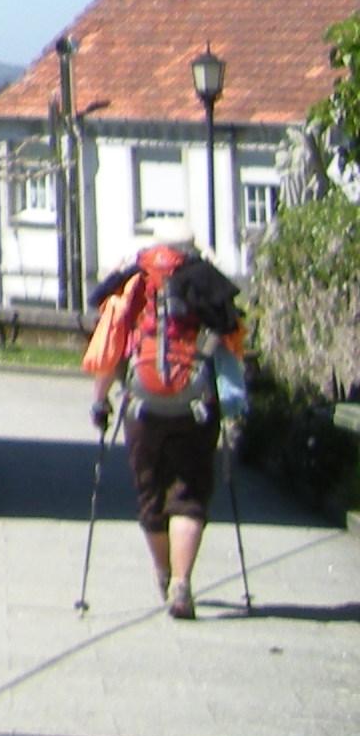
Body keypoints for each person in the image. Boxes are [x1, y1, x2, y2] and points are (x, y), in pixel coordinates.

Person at [84, 239, 248, 620]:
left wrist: (100, 401)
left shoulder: (134, 284)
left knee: (151, 494)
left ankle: (163, 574)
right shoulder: (207, 281)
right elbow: (233, 342)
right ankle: (182, 585)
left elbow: (110, 346)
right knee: (189, 494)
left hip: (143, 406)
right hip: (195, 405)